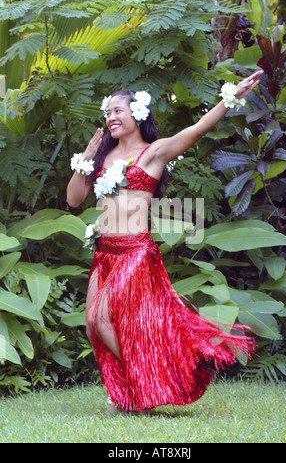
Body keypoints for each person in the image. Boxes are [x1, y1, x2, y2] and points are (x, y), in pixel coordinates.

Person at [66, 71, 263, 414]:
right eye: (108, 112)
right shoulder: (103, 157)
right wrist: (87, 155)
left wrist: (232, 96)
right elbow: (73, 199)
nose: (111, 117)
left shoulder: (154, 152)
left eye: (118, 111)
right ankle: (133, 394)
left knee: (100, 319)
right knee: (92, 325)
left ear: (138, 114)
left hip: (135, 251)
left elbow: (197, 128)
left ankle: (143, 389)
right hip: (105, 251)